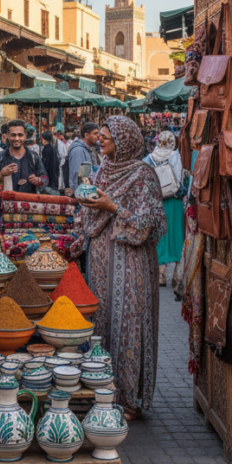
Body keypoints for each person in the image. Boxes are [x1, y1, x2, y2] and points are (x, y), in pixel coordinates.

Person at [74, 116, 165, 421]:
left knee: (127, 324)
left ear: (124, 142)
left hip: (131, 262)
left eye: (106, 138)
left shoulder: (143, 175)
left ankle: (127, 399)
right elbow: (89, 215)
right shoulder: (103, 170)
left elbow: (151, 223)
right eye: (99, 136)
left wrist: (112, 208)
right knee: (102, 323)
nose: (100, 141)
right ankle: (102, 392)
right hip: (101, 260)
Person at [143, 131, 185, 286]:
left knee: (160, 236)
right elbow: (181, 179)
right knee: (176, 236)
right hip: (174, 202)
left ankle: (161, 275)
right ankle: (176, 275)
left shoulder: (150, 158)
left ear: (158, 141)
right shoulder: (176, 156)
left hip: (158, 202)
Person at [0, 119, 48, 193]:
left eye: (20, 135)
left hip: (28, 202)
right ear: (8, 136)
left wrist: (39, 181)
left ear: (25, 136)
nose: (16, 138)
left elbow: (45, 179)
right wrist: (0, 174)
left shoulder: (34, 157)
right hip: (5, 202)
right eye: (13, 135)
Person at [65, 121, 101, 193]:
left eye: (98, 133)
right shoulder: (78, 150)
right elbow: (77, 177)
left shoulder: (91, 149)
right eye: (95, 134)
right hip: (82, 195)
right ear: (87, 135)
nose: (98, 136)